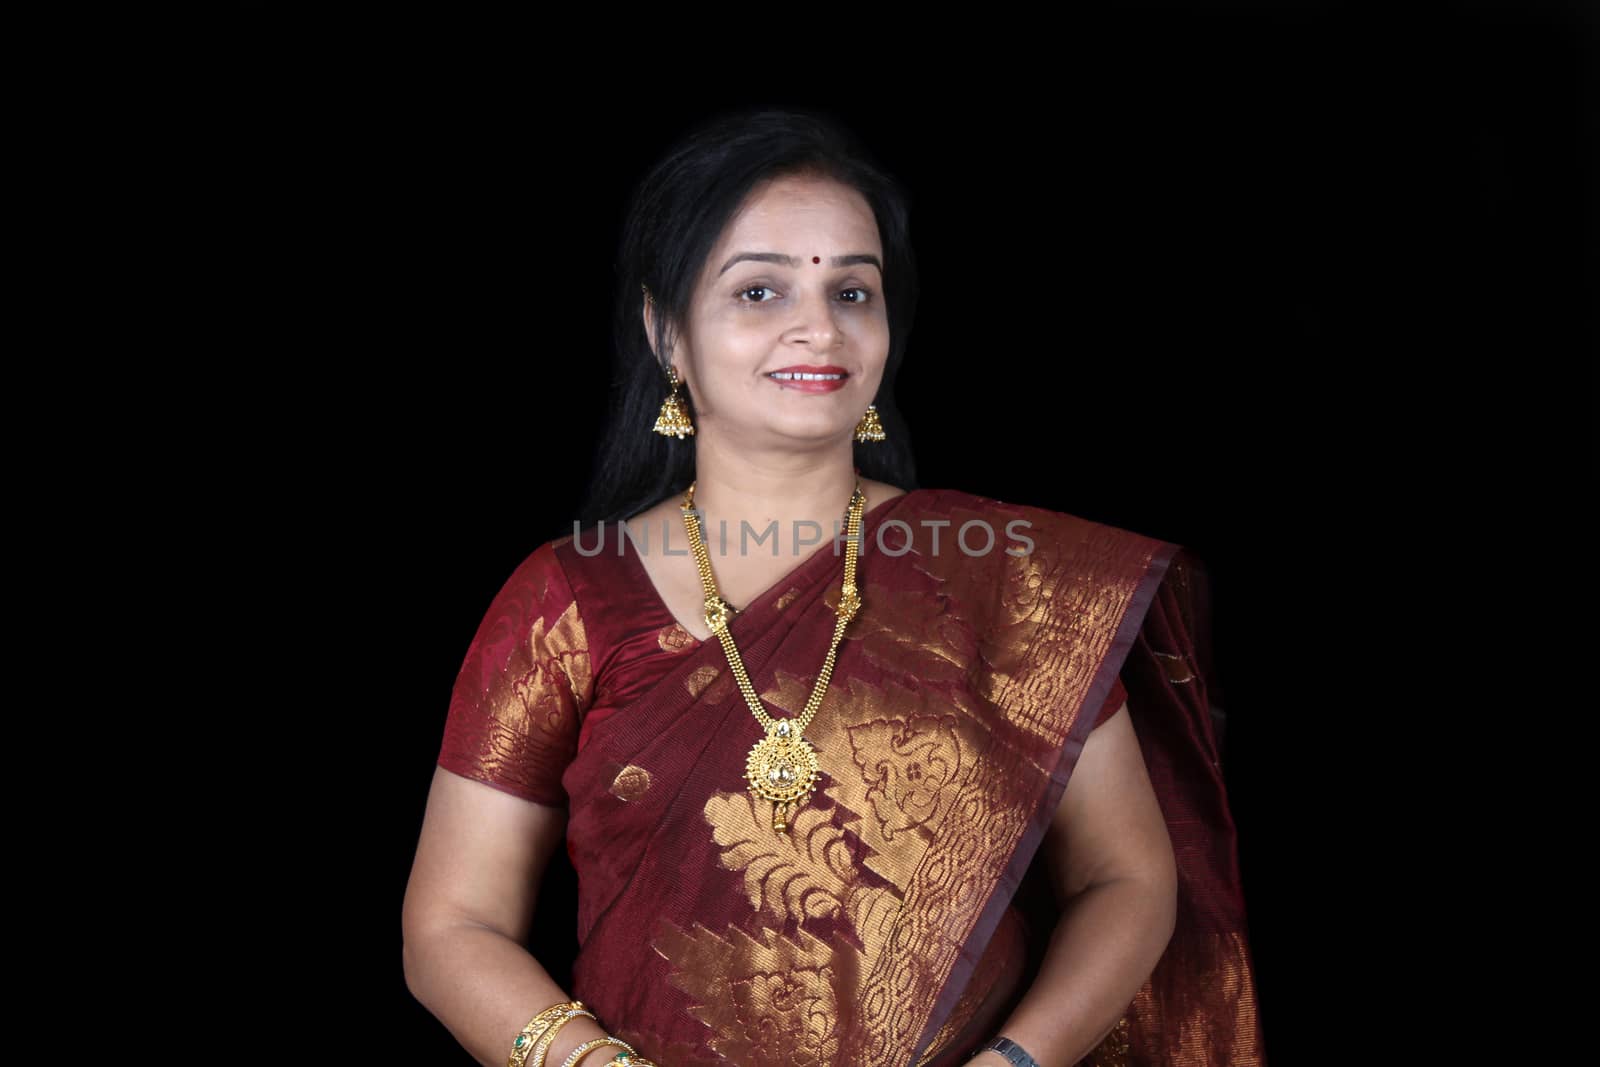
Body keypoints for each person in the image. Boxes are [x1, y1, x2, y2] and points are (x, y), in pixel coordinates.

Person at [402, 107, 1266, 1067]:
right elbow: (451, 924)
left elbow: (1127, 875)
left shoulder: (1005, 572)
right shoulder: (567, 601)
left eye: (853, 291)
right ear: (667, 334)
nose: (818, 325)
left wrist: (1016, 1063)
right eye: (760, 290)